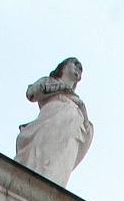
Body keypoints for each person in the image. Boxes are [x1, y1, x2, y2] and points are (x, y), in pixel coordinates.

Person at [15, 58, 94, 187]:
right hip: (51, 121)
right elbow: (31, 93)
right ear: (63, 67)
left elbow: (87, 130)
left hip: (72, 130)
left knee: (60, 162)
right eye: (74, 64)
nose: (78, 68)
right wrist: (62, 89)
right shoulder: (49, 82)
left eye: (80, 69)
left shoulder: (78, 103)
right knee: (41, 156)